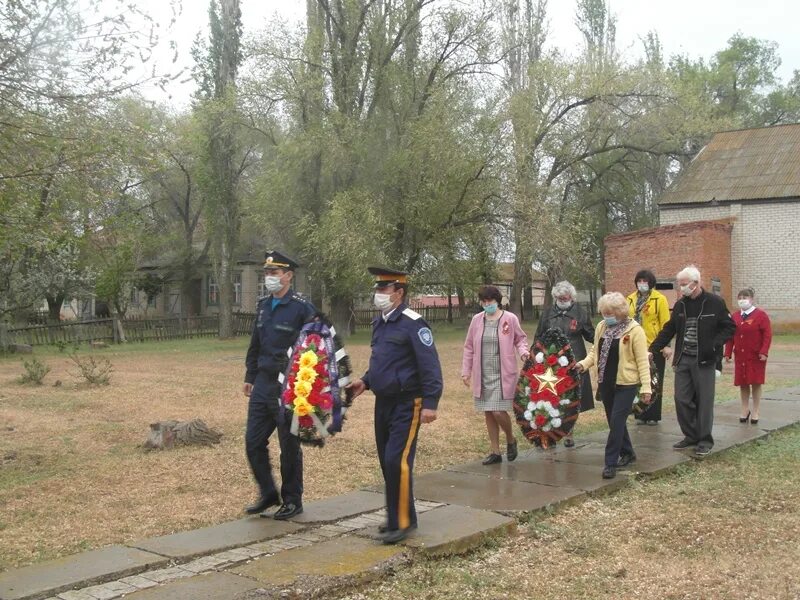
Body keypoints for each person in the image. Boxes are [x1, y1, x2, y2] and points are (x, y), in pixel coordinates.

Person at [346, 267, 443, 545]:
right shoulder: (380, 323)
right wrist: (365, 382)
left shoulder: (414, 324)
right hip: (383, 402)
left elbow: (430, 367)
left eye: (383, 290)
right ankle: (400, 517)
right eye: (377, 289)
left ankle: (399, 523)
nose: (378, 295)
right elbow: (382, 362)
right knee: (387, 462)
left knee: (396, 460)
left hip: (407, 403)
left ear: (399, 293)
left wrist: (431, 403)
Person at [242, 250, 316, 519]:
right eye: (267, 273)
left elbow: (316, 348)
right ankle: (268, 493)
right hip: (263, 382)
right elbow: (256, 344)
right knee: (253, 441)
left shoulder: (302, 308)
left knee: (289, 446)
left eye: (274, 273)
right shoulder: (263, 305)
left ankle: (293, 499)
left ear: (288, 276)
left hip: (290, 387)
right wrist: (250, 376)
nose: (269, 277)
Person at [649, 265, 736, 457]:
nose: (681, 288)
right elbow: (669, 328)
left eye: (684, 284)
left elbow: (729, 327)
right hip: (683, 358)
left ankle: (705, 439)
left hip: (704, 360)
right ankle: (691, 435)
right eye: (679, 285)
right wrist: (653, 348)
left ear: (696, 283)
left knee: (705, 401)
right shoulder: (681, 305)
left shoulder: (714, 302)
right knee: (681, 399)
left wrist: (715, 344)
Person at [575, 292, 651, 479]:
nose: (606, 317)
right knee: (614, 422)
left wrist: (646, 387)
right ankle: (628, 452)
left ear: (620, 312)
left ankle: (610, 462)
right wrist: (583, 364)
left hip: (627, 383)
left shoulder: (635, 330)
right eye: (604, 313)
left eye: (609, 313)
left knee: (616, 422)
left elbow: (642, 361)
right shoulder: (602, 326)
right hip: (605, 381)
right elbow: (595, 351)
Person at [461, 285, 529, 465]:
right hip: (483, 372)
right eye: (483, 301)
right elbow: (469, 346)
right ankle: (495, 451)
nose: (486, 304)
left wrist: (523, 353)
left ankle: (510, 439)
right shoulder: (477, 320)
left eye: (489, 301)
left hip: (503, 372)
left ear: (497, 301)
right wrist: (466, 371)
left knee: (499, 411)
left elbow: (520, 339)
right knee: (489, 412)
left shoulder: (510, 318)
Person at [534, 281, 594, 447]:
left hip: (574, 360)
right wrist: (535, 355)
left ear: (572, 298)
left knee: (570, 397)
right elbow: (539, 336)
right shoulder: (547, 314)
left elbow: (591, 334)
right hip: (551, 361)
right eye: (559, 298)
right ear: (555, 298)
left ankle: (569, 433)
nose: (562, 301)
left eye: (565, 298)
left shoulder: (580, 313)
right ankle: (551, 433)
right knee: (552, 397)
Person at [626, 269, 671, 425]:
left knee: (654, 380)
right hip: (634, 346)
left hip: (654, 345)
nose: (642, 284)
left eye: (645, 281)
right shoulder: (630, 299)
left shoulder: (660, 299)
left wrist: (666, 345)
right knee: (638, 380)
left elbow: (666, 324)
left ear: (651, 283)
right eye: (640, 281)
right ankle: (640, 413)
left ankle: (653, 415)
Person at [724, 288, 772, 424]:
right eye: (740, 297)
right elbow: (730, 336)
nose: (742, 300)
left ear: (752, 299)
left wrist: (764, 351)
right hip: (740, 355)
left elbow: (767, 335)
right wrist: (727, 352)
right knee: (743, 382)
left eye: (745, 297)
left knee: (756, 382)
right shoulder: (735, 316)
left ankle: (756, 411)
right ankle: (745, 409)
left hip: (756, 356)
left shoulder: (761, 315)